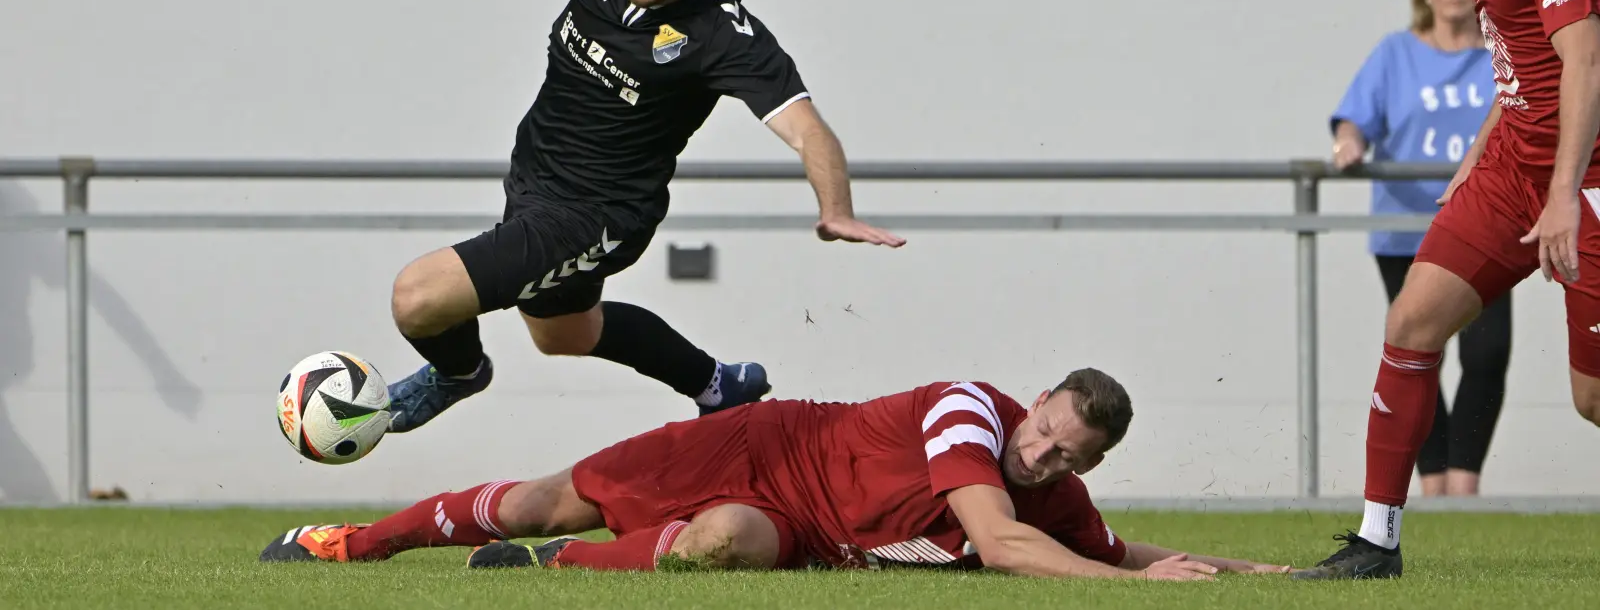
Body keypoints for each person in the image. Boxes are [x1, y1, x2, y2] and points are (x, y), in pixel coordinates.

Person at [337, 0, 906, 433]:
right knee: (565, 334)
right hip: (534, 179)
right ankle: (715, 384)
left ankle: (459, 372)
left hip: (595, 215)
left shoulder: (723, 34)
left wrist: (835, 210)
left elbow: (808, 128)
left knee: (417, 298)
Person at [1297, 0, 1600, 580]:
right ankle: (1376, 543)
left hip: (1583, 182)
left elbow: (1584, 63)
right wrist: (1481, 147)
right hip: (1512, 168)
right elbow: (1524, 60)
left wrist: (1566, 195)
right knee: (1411, 327)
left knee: (1591, 400)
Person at [260, 369, 1289, 580]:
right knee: (533, 495)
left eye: (1070, 456)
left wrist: (1262, 579)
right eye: (1050, 431)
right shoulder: (972, 412)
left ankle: (552, 567)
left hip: (795, 528)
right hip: (752, 446)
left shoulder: (1054, 492)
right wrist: (1126, 591)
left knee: (724, 546)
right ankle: (350, 541)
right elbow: (1012, 547)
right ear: (1038, 402)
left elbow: (1114, 547)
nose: (1047, 454)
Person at [1329, 0, 1511, 497]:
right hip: (1406, 229)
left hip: (1484, 223)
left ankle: (1464, 481)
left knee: (1486, 352)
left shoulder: (1499, 55)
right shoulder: (1396, 53)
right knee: (1418, 353)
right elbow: (1355, 119)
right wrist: (1350, 143)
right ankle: (1434, 484)